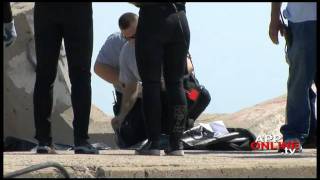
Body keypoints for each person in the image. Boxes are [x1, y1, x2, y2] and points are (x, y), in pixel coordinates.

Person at [33, 3, 98, 154]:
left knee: (44, 75)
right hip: (78, 11)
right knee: (80, 75)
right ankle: (81, 140)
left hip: (45, 10)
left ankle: (43, 141)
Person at [133, 2, 190, 156]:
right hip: (180, 19)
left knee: (151, 83)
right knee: (176, 82)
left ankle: (154, 143)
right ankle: (177, 143)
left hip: (152, 19)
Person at [269, 2, 317, 152]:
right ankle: (294, 135)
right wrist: (274, 17)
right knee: (299, 81)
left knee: (300, 81)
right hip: (301, 19)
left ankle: (310, 135)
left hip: (301, 19)